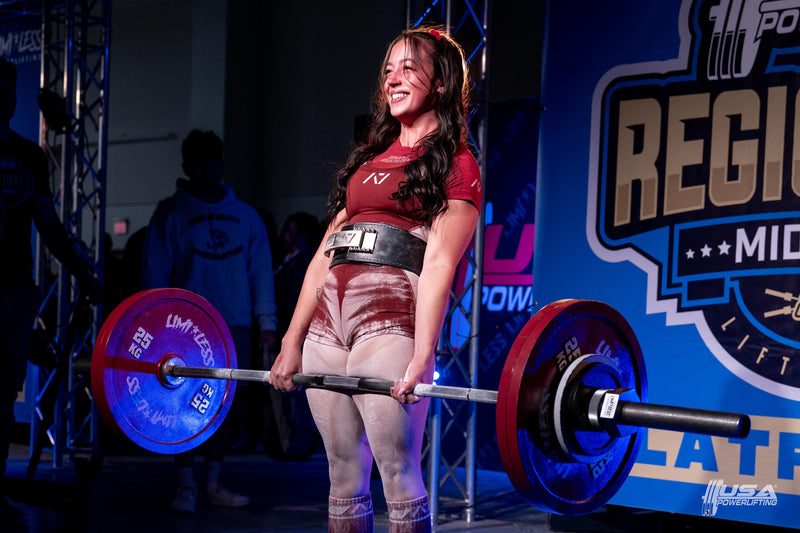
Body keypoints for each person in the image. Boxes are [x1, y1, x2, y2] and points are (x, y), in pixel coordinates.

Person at [269, 26, 481, 532]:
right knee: (342, 476)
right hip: (327, 327)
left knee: (397, 472)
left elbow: (438, 266)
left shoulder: (456, 164)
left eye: (409, 67)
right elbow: (323, 255)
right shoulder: (368, 162)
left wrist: (423, 354)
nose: (394, 78)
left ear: (443, 83)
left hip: (388, 322)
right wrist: (291, 341)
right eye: (388, 70)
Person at [141, 129, 278, 514]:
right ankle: (186, 484)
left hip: (232, 324)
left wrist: (266, 323)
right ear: (186, 166)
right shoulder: (170, 215)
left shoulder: (246, 217)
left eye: (212, 161)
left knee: (224, 408)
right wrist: (152, 324)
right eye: (198, 163)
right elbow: (154, 275)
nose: (206, 169)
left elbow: (261, 275)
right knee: (179, 408)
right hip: (180, 327)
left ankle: (213, 482)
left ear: (221, 163)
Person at [0, 57, 101, 526]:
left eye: (8, 90)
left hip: (14, 290)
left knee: (2, 393)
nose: (4, 99)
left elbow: (50, 226)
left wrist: (83, 270)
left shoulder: (29, 156)